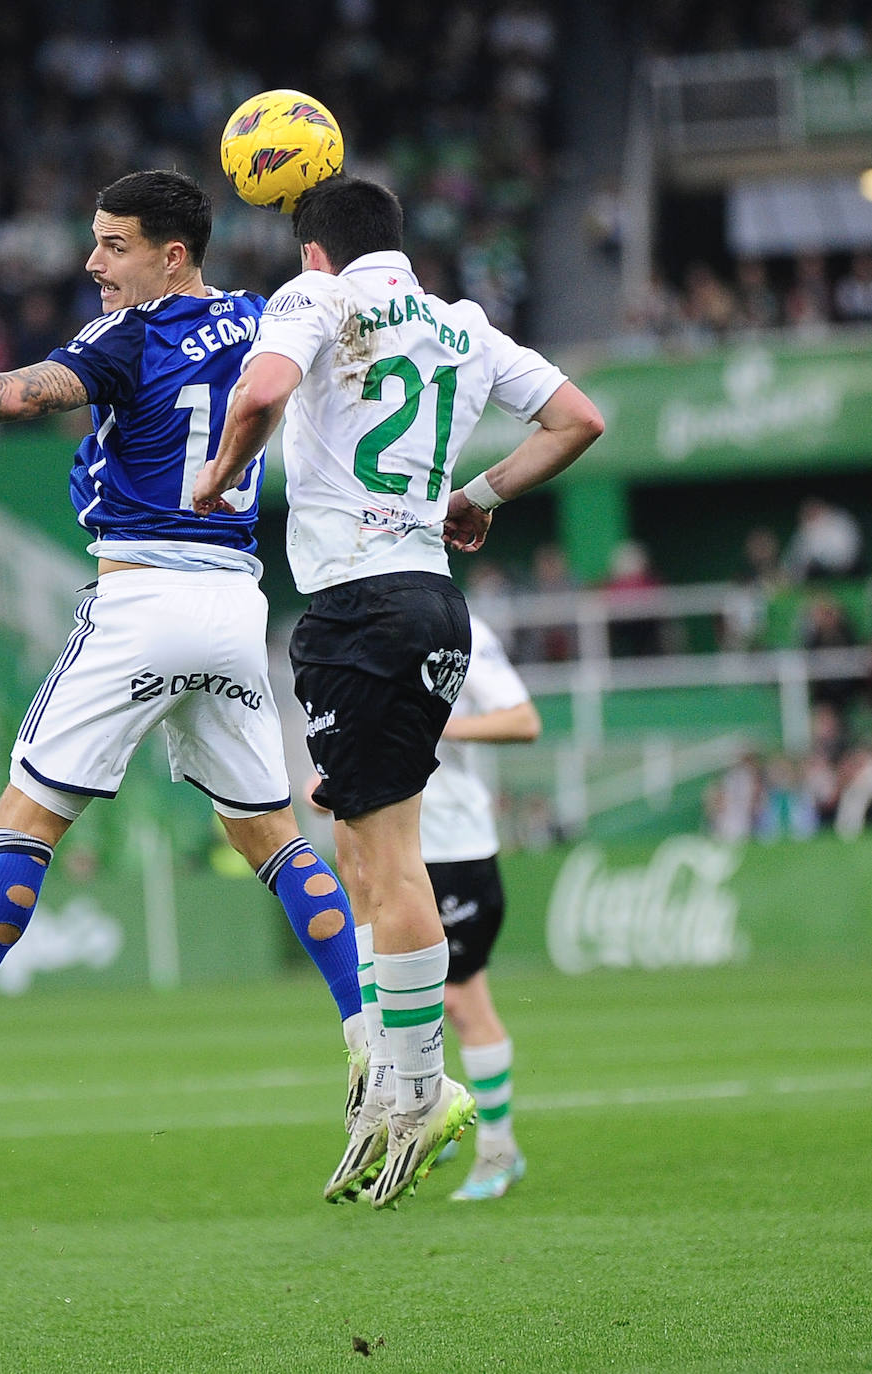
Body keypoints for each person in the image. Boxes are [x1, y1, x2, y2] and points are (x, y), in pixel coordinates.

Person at [0, 170, 364, 1104]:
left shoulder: (127, 336)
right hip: (234, 605)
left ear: (170, 254)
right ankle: (368, 1035)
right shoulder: (266, 317)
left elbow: (22, 394)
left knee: (26, 817)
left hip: (142, 596)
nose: (92, 262)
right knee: (269, 834)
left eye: (114, 244)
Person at [193, 175, 603, 1208]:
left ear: (314, 250)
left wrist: (219, 474)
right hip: (429, 594)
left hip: (356, 606)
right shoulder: (461, 324)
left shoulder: (316, 300)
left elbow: (260, 392)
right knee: (357, 846)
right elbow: (576, 419)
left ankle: (414, 1090)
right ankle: (392, 1071)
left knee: (388, 852)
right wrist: (477, 496)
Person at [420, 612, 540, 1201]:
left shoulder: (457, 625)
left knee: (461, 1000)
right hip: (387, 849)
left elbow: (523, 719)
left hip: (453, 848)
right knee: (401, 999)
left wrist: (434, 729)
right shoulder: (346, 618)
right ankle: (432, 1118)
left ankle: (498, 1149)